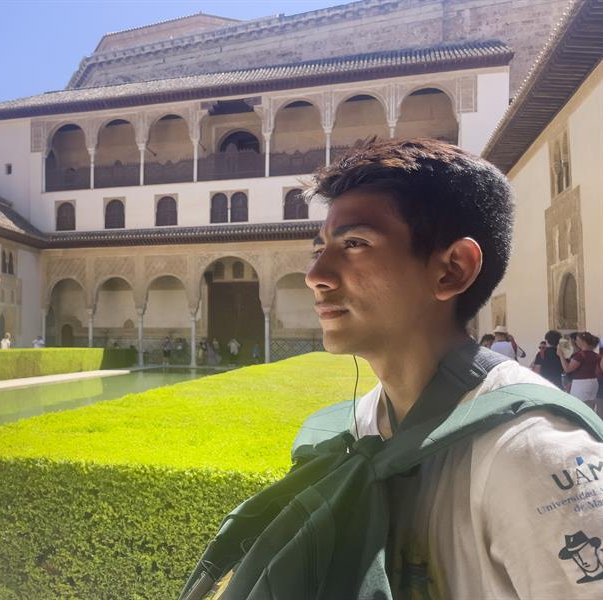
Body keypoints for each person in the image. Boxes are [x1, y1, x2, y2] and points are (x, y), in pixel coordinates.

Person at [190, 139, 603, 598]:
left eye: (355, 243)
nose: (316, 274)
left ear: (452, 270)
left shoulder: (533, 454)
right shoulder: (361, 425)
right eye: (319, 247)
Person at [561, 331, 601, 411]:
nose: (576, 342)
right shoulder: (596, 355)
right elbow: (597, 371)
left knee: (579, 408)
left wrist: (561, 356)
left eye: (577, 340)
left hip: (581, 384)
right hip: (593, 382)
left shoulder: (580, 355)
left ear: (583, 342)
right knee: (590, 407)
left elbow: (567, 369)